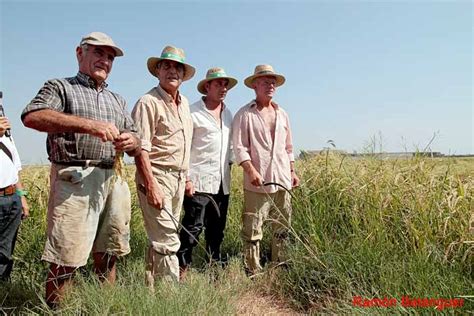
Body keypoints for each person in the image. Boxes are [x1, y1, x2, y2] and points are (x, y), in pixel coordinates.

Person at [21, 32, 141, 307]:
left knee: (109, 253)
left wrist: (132, 140)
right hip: (75, 179)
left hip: (113, 178)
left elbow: (135, 136)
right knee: (66, 258)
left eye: (110, 57)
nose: (105, 61)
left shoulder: (117, 100)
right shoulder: (61, 87)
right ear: (80, 53)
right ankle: (56, 311)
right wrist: (89, 125)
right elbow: (32, 115)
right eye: (98, 53)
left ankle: (103, 309)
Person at [131, 45, 194, 286]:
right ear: (157, 71)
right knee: (168, 239)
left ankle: (151, 291)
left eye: (177, 67)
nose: (172, 71)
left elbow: (184, 145)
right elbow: (140, 149)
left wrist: (186, 178)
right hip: (156, 176)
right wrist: (151, 184)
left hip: (177, 179)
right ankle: (171, 296)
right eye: (166, 66)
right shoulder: (148, 102)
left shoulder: (185, 104)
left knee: (161, 237)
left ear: (183, 73)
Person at [232, 64, 300, 276]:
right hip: (257, 181)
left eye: (273, 82)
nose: (270, 85)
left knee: (282, 224)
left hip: (282, 178)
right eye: (264, 81)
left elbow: (288, 147)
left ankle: (279, 264)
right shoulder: (244, 114)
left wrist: (292, 171)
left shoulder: (283, 114)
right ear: (254, 85)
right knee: (253, 226)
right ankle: (253, 269)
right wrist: (251, 171)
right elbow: (239, 147)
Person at [176, 67, 237, 279]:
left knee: (217, 230)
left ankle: (214, 269)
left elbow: (230, 150)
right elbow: (184, 147)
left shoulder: (229, 114)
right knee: (192, 228)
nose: (223, 88)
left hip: (222, 183)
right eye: (218, 83)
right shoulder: (192, 113)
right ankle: (182, 270)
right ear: (207, 86)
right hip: (198, 182)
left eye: (225, 84)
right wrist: (187, 178)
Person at [0, 114, 29, 281]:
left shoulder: (6, 134)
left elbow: (15, 168)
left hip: (12, 198)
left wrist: (22, 197)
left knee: (5, 251)